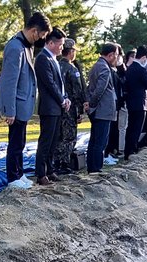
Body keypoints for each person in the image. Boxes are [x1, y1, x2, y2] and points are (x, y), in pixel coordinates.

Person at [0, 12, 51, 184]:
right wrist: (9, 110)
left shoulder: (26, 46)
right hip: (17, 106)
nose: (41, 39)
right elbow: (9, 81)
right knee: (15, 143)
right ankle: (13, 177)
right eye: (42, 35)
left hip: (23, 105)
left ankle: (19, 174)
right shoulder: (15, 47)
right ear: (34, 31)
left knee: (20, 142)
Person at [33, 28, 71, 185]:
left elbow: (60, 84)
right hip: (49, 107)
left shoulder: (54, 59)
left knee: (54, 140)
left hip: (57, 106)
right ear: (50, 43)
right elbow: (49, 83)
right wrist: (61, 100)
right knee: (46, 141)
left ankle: (50, 169)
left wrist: (65, 98)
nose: (62, 48)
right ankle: (41, 173)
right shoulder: (43, 59)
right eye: (60, 44)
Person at [86, 43, 118, 173]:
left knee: (94, 140)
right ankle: (96, 168)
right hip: (102, 110)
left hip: (97, 110)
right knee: (100, 142)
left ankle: (91, 166)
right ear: (110, 55)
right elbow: (100, 89)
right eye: (115, 55)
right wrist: (92, 104)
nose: (116, 58)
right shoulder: (104, 68)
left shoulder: (96, 66)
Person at [57, 38, 86, 173]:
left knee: (58, 135)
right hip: (70, 108)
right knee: (69, 136)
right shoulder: (71, 69)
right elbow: (77, 91)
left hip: (57, 107)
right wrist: (80, 110)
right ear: (71, 52)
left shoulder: (56, 65)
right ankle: (64, 163)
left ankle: (55, 162)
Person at [123, 45, 147, 159]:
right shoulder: (141, 69)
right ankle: (132, 150)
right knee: (136, 129)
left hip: (131, 102)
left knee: (130, 127)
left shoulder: (130, 68)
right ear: (145, 57)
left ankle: (128, 150)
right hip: (140, 103)